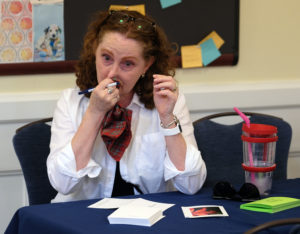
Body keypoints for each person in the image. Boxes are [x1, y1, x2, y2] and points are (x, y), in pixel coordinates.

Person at [47, 10, 207, 202]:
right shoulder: (70, 101)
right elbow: (62, 184)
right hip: (81, 219)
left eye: (128, 64)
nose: (112, 73)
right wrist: (95, 112)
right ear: (94, 52)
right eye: (106, 58)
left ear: (146, 65)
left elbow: (191, 185)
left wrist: (166, 118)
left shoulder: (169, 101)